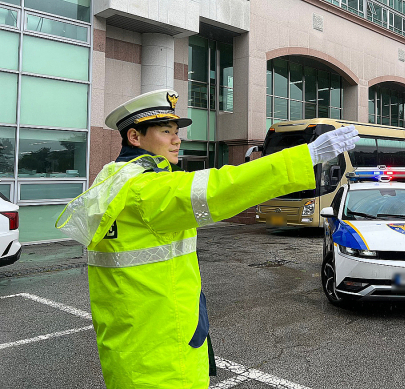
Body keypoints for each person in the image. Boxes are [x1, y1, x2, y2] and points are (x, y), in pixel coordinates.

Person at [56, 89, 359, 388]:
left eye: (176, 131)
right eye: (166, 131)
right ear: (135, 137)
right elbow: (221, 187)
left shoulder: (114, 178)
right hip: (162, 355)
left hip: (136, 342)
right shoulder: (144, 190)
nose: (177, 139)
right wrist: (305, 157)